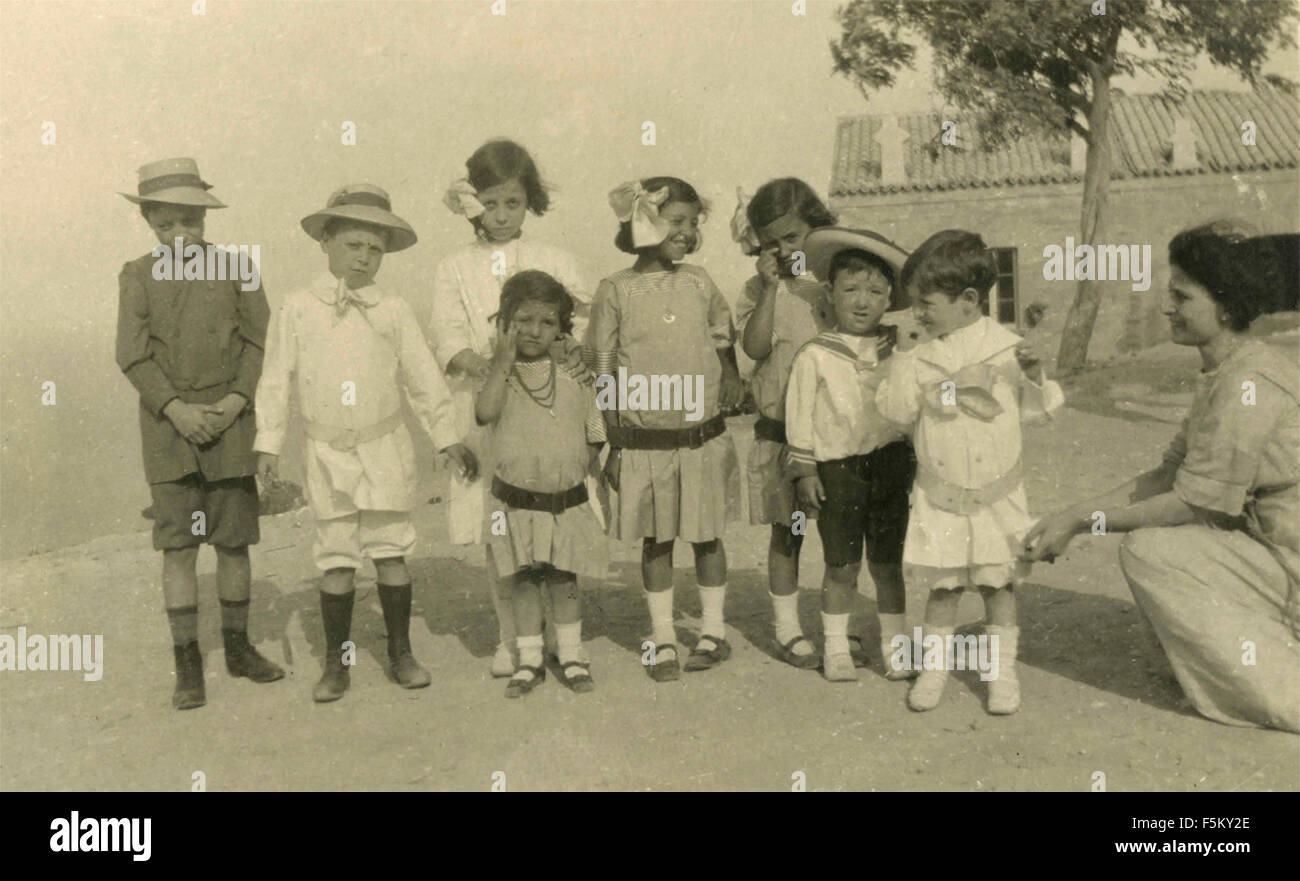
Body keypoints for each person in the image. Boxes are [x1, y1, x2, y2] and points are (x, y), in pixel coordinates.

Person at [1023, 224, 1299, 733]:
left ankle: (1286, 695)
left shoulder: (1250, 384)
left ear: (1224, 306)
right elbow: (1167, 476)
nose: (1168, 306)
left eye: (1181, 296)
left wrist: (1085, 522)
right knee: (1161, 544)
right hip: (1277, 554)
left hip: (1289, 561)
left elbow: (1194, 503)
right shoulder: (1225, 372)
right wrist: (1068, 515)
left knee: (1151, 550)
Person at [254, 184, 474, 702]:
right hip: (326, 452)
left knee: (391, 551)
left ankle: (401, 652)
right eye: (353, 245)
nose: (364, 258)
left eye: (374, 249)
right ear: (326, 242)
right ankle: (337, 663)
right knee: (335, 558)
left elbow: (422, 378)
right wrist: (268, 442)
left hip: (384, 449)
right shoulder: (297, 307)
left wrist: (446, 438)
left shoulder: (393, 308)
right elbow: (274, 376)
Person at [115, 157, 284, 710]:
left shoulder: (240, 269)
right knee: (179, 548)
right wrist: (176, 409)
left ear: (205, 218)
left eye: (189, 221)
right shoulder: (136, 275)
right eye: (166, 224)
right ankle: (188, 664)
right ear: (149, 223)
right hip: (170, 432)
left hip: (231, 426)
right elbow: (132, 355)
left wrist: (236, 401)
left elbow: (262, 343)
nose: (179, 234)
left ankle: (238, 648)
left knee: (234, 543)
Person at [876, 229, 1063, 714]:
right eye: (914, 303)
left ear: (969, 300)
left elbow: (1039, 410)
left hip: (997, 494)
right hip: (941, 495)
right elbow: (896, 411)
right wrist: (900, 356)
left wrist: (1037, 376)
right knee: (944, 587)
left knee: (997, 585)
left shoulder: (1006, 348)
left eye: (926, 303)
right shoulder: (919, 354)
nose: (918, 312)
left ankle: (1002, 674)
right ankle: (934, 672)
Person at [431, 139, 589, 677]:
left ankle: (563, 638)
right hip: (488, 403)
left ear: (530, 203)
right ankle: (513, 637)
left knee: (550, 520)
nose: (501, 216)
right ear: (471, 202)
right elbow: (447, 336)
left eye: (513, 204)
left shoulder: (555, 260)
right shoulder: (453, 267)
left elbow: (578, 329)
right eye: (491, 203)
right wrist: (493, 366)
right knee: (498, 525)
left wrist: (545, 360)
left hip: (547, 407)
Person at [587, 176, 745, 681]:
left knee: (706, 537)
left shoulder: (699, 281)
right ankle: (662, 638)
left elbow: (723, 337)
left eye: (693, 224)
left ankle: (714, 631)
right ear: (644, 222)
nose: (689, 232)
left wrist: (734, 378)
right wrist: (611, 442)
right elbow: (604, 369)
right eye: (677, 221)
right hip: (645, 442)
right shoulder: (615, 289)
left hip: (699, 437)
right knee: (656, 541)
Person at [785, 227, 916, 681]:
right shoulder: (816, 355)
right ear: (830, 294)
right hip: (838, 470)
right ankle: (838, 646)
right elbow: (799, 417)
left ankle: (896, 649)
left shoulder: (899, 350)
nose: (863, 301)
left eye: (876, 292)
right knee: (842, 564)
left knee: (887, 564)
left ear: (889, 299)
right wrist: (805, 473)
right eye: (851, 290)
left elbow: (912, 409)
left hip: (891, 466)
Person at [475, 270, 609, 697]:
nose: (535, 331)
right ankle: (529, 658)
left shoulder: (573, 375)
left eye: (547, 322)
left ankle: (571, 654)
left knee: (564, 579)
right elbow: (484, 413)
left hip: (564, 501)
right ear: (505, 323)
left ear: (561, 328)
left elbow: (595, 428)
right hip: (515, 503)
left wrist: (578, 467)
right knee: (524, 579)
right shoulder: (500, 374)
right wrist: (500, 361)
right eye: (524, 321)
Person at [731, 179, 835, 668]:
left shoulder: (833, 283)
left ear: (816, 228)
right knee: (787, 532)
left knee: (839, 535)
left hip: (834, 437)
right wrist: (772, 287)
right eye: (771, 242)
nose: (783, 250)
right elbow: (753, 349)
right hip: (781, 437)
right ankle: (788, 628)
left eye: (793, 238)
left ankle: (840, 626)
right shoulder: (758, 290)